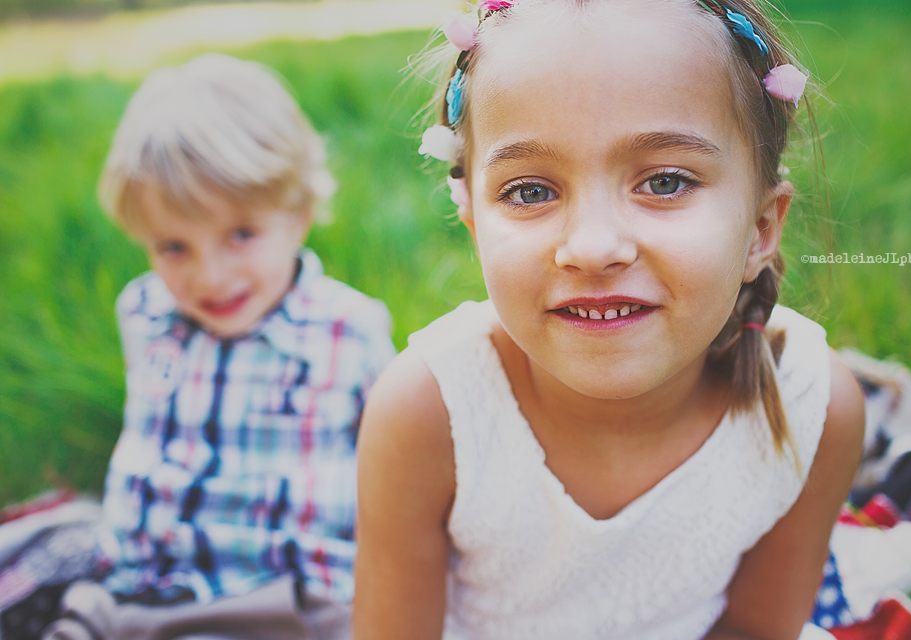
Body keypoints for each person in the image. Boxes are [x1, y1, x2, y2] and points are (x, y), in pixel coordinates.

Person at [353, 1, 865, 639]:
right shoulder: (429, 413)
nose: (593, 247)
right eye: (531, 191)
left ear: (760, 229)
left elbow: (756, 628)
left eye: (666, 182)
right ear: (475, 228)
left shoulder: (813, 406)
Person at [42, 53, 395, 640]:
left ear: (298, 216)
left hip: (289, 603)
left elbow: (400, 473)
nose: (208, 277)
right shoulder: (145, 312)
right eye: (173, 248)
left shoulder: (347, 329)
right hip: (140, 593)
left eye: (241, 235)